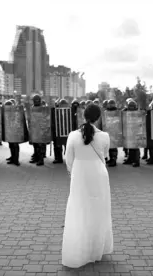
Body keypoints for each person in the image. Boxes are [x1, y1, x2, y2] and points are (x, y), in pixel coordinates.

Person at [62, 103, 113, 268]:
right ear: (99, 118)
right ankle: (97, 249)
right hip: (99, 175)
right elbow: (105, 156)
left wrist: (73, 172)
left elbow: (68, 158)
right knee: (99, 210)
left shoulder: (73, 135)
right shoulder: (105, 136)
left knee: (80, 209)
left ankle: (81, 249)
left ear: (83, 116)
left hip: (80, 174)